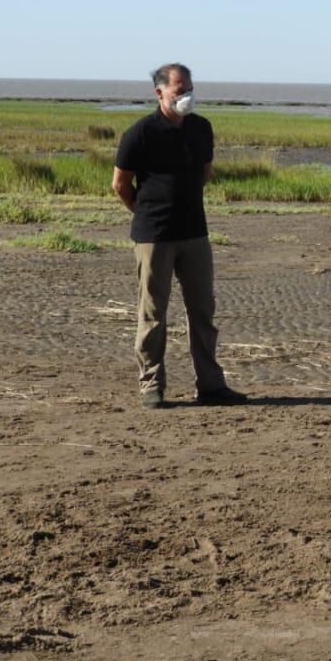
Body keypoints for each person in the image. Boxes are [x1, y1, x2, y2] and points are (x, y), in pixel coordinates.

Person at [111, 64, 247, 409]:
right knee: (153, 314)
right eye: (178, 90)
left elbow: (204, 173)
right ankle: (151, 385)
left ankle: (211, 385)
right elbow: (120, 184)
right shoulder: (139, 134)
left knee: (202, 310)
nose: (186, 95)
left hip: (195, 234)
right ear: (160, 93)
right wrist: (144, 213)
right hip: (154, 236)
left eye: (189, 88)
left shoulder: (201, 128)